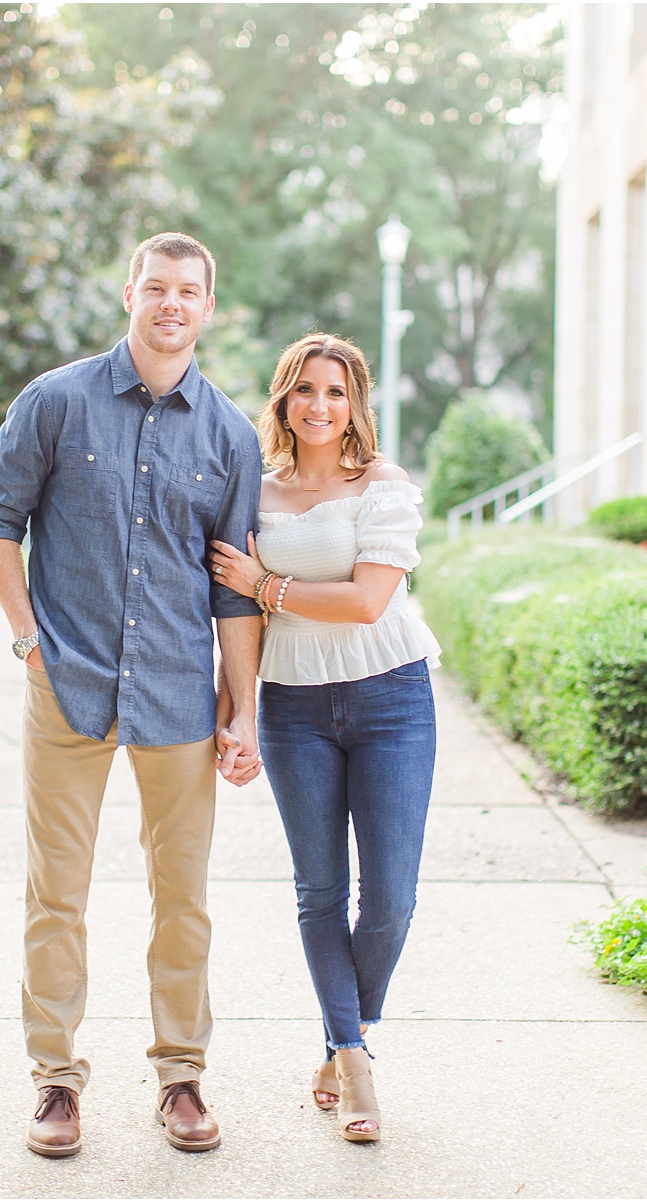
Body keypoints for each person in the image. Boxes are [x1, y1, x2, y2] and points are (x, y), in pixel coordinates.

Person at [0, 232, 265, 1159]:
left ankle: (182, 1076)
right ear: (128, 293)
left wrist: (243, 705)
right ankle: (55, 1083)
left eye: (189, 291)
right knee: (55, 890)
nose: (171, 303)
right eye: (156, 287)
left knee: (183, 896)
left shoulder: (229, 434)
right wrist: (28, 640)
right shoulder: (54, 403)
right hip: (69, 688)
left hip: (181, 693)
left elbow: (233, 587)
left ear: (208, 308)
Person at [208, 332, 440, 1144]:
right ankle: (354, 1056)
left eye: (335, 392)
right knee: (317, 893)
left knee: (392, 898)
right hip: (295, 708)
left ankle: (347, 1038)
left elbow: (368, 602)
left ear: (355, 405)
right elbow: (234, 617)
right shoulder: (253, 494)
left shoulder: (383, 486)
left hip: (392, 701)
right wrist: (232, 710)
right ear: (283, 399)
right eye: (304, 389)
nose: (318, 404)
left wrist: (267, 584)